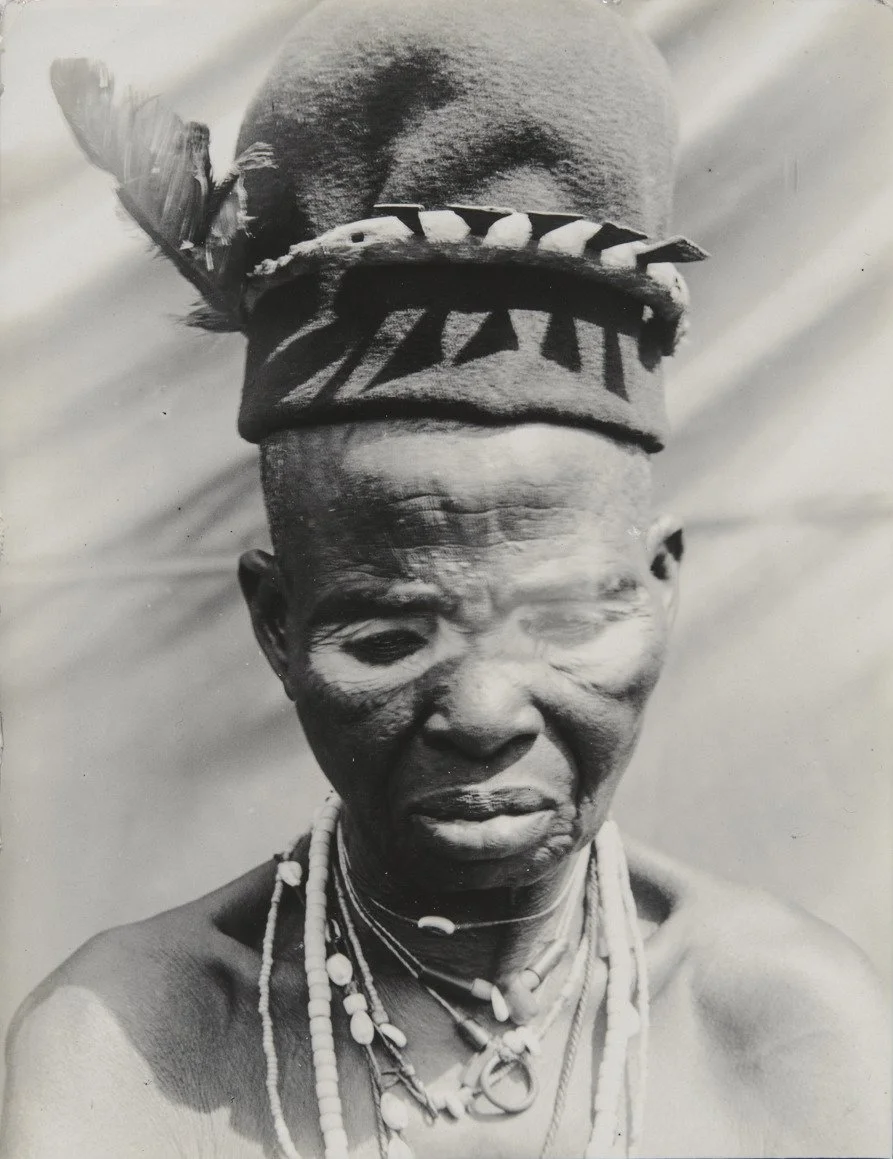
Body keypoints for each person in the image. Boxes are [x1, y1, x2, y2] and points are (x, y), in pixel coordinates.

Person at [1, 2, 888, 1157]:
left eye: (566, 616)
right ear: (276, 622)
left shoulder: (791, 1033)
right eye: (385, 636)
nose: (480, 713)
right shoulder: (123, 1049)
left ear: (660, 586)